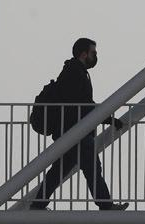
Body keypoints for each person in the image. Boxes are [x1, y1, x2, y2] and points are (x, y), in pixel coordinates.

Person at [30, 37, 129, 210]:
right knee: (91, 168)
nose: (95, 56)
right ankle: (106, 205)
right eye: (93, 53)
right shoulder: (74, 72)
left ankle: (38, 204)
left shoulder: (75, 71)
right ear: (84, 54)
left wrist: (106, 118)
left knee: (60, 169)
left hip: (71, 131)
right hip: (76, 132)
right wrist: (108, 118)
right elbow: (81, 103)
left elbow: (82, 103)